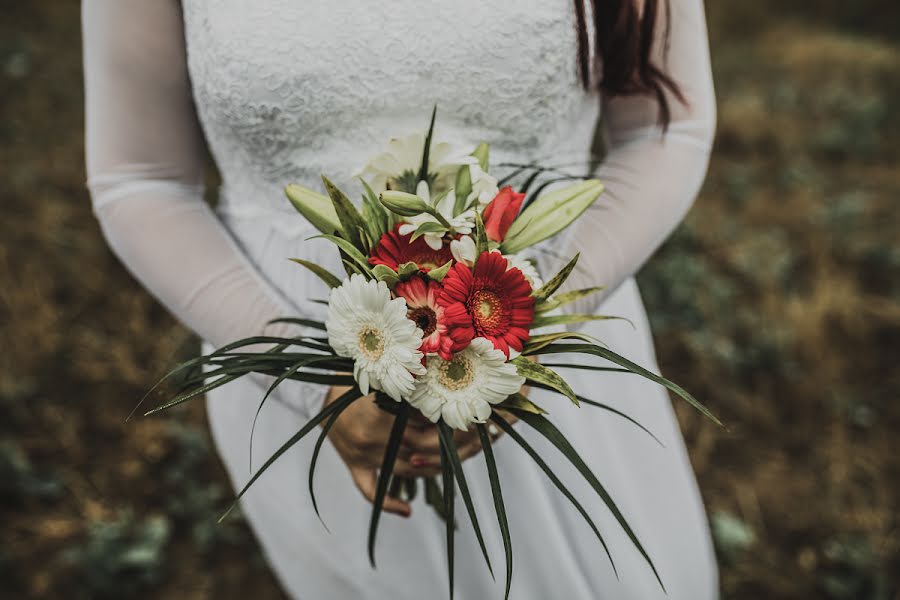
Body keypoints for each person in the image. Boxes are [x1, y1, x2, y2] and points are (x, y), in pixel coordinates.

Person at [82, 0, 718, 597]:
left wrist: (523, 324)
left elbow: (667, 128)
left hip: (548, 342)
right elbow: (140, 179)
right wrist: (317, 386)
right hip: (290, 345)